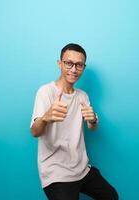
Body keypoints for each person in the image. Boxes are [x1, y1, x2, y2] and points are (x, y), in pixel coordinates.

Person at [30, 43, 118, 200]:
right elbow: (35, 131)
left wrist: (92, 121)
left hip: (82, 169)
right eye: (69, 63)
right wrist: (45, 118)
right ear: (60, 63)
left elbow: (92, 128)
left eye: (79, 65)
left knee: (111, 196)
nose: (73, 69)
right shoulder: (46, 92)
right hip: (56, 174)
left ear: (84, 67)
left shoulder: (82, 96)